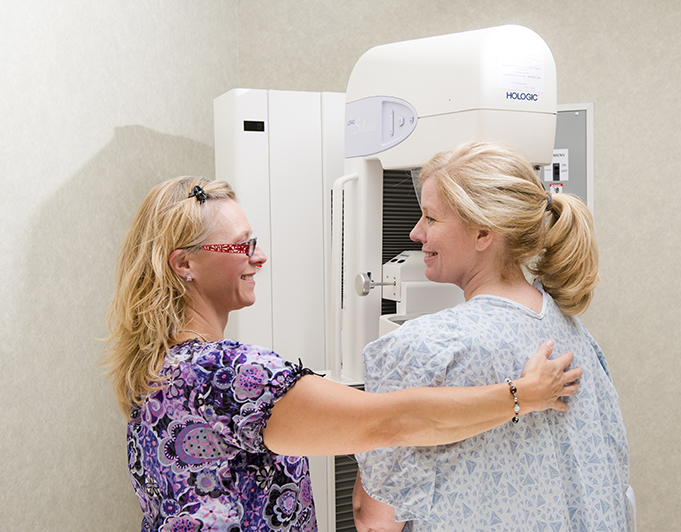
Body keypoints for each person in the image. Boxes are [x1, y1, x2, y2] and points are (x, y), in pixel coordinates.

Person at [104, 176, 583, 532]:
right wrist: (523, 395)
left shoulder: (159, 371)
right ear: (184, 263)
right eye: (241, 245)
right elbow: (389, 424)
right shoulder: (225, 372)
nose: (259, 257)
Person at [352, 141, 631, 531]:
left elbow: (375, 518)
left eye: (431, 218)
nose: (416, 233)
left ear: (484, 232)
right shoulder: (574, 336)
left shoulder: (425, 349)